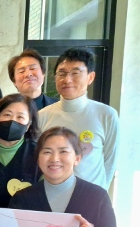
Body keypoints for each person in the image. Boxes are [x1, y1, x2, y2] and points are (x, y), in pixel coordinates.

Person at [38, 48, 119, 190]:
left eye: (75, 73)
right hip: (51, 195)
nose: (67, 79)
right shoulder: (42, 116)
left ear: (90, 77)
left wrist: (100, 194)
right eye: (62, 73)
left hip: (91, 197)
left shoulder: (106, 115)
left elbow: (110, 161)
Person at [0, 94, 41, 208]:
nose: (12, 121)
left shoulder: (39, 155)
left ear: (28, 125)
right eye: (7, 115)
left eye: (20, 117)